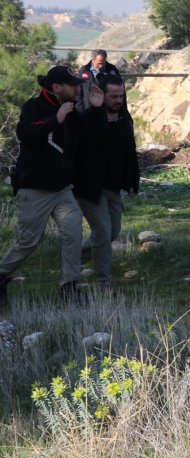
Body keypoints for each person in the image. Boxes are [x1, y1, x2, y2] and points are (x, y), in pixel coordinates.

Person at [0, 66, 104, 309]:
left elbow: (90, 136)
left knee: (73, 234)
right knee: (28, 241)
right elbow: (25, 133)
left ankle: (69, 289)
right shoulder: (34, 106)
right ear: (57, 87)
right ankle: (1, 275)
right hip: (33, 189)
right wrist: (55, 119)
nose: (77, 89)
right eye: (72, 85)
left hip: (62, 190)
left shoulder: (71, 109)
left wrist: (97, 109)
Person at [74, 74, 139, 288]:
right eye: (113, 96)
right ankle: (103, 281)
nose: (118, 100)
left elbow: (130, 150)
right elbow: (93, 140)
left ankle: (74, 259)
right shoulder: (89, 118)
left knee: (112, 231)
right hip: (90, 187)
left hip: (113, 186)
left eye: (121, 96)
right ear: (102, 95)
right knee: (102, 231)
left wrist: (133, 181)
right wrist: (96, 110)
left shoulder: (124, 118)